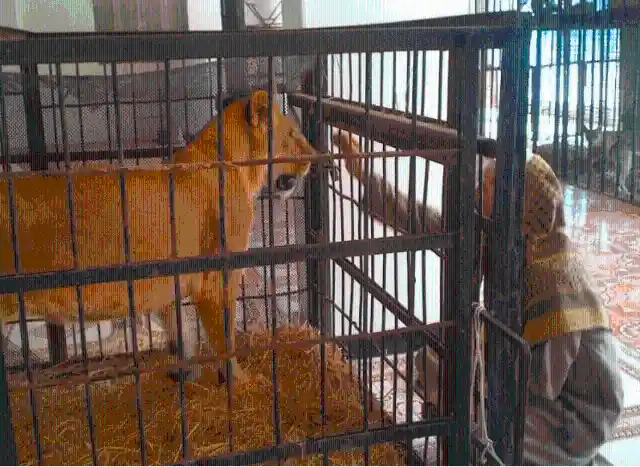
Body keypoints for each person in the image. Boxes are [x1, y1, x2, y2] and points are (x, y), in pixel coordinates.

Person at [332, 131, 624, 465]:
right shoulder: (508, 237)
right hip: (522, 383)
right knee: (434, 362)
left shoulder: (556, 280)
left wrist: (477, 385)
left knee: (480, 417)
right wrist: (364, 173)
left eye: (486, 187)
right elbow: (428, 223)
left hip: (573, 420)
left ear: (515, 200)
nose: (476, 193)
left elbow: (541, 384)